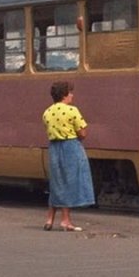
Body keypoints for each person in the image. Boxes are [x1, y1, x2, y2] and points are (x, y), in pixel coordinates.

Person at [42, 80, 94, 232]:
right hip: (71, 147)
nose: (72, 95)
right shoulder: (72, 111)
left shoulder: (47, 112)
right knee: (70, 182)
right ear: (64, 95)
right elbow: (82, 132)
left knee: (57, 183)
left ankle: (49, 219)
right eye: (70, 92)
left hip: (54, 147)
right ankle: (65, 220)